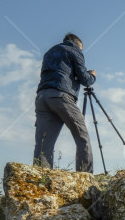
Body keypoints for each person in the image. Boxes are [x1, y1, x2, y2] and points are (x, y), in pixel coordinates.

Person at [33, 33, 97, 173]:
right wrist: (92, 75)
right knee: (82, 135)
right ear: (77, 44)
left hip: (42, 97)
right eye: (81, 48)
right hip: (61, 96)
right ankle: (85, 176)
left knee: (44, 142)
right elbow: (85, 79)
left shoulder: (49, 52)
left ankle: (41, 178)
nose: (81, 51)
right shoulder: (74, 51)